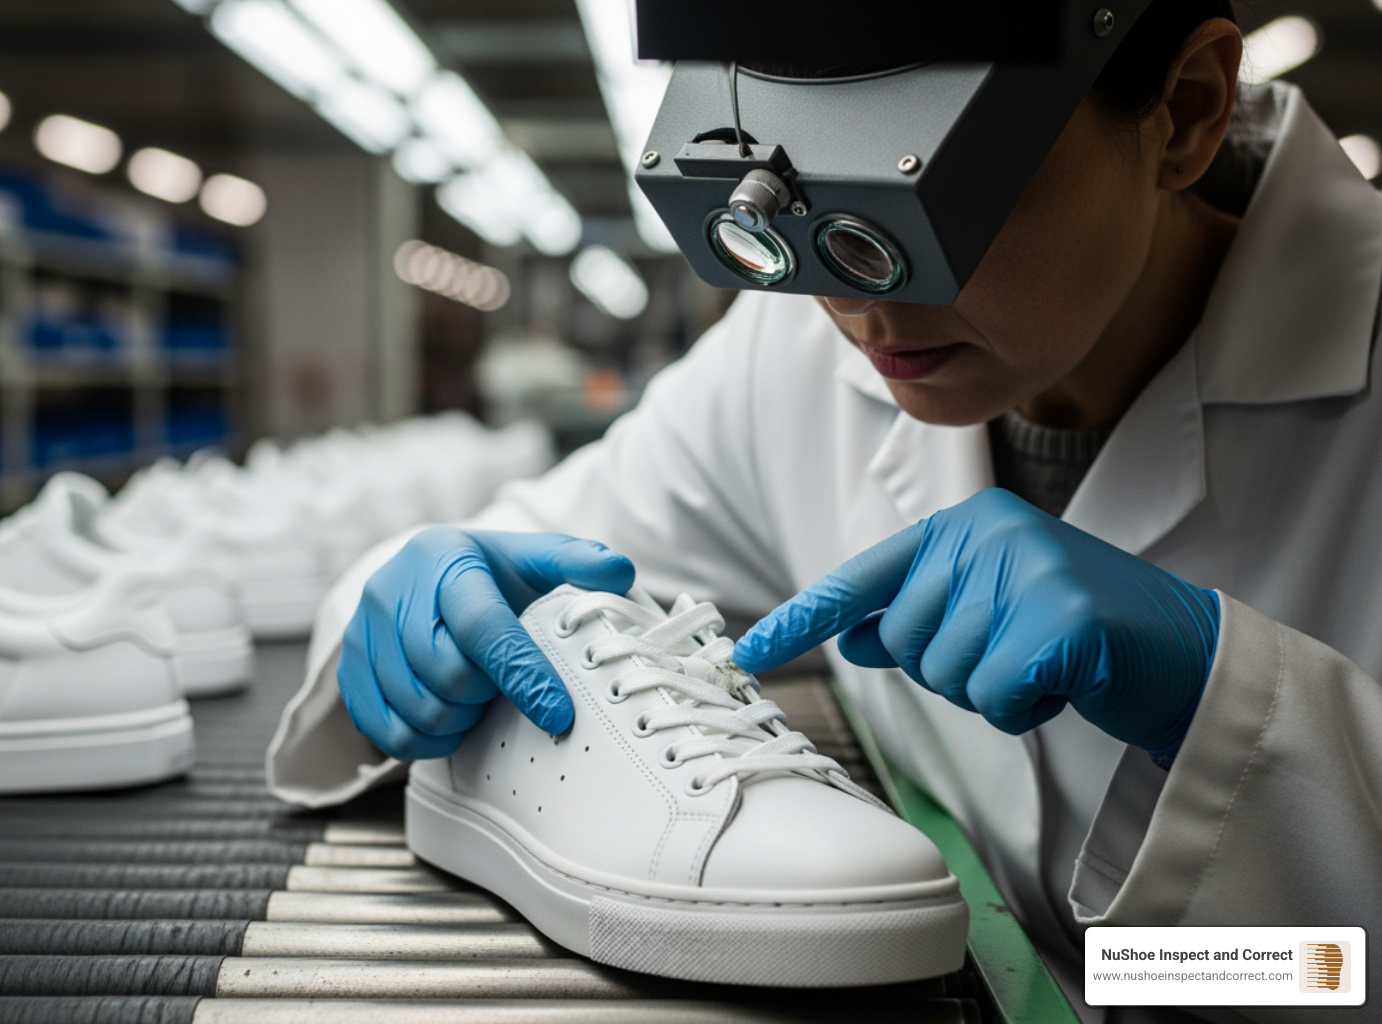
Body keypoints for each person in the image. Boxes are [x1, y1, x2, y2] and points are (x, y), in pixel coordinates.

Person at [268, 3, 1382, 1019]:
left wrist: (1230, 701)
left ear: (1184, 112)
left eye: (926, 209)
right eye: (806, 223)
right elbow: (498, 555)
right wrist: (413, 600)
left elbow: (1336, 964)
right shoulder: (788, 360)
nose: (854, 302)